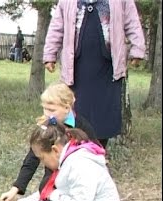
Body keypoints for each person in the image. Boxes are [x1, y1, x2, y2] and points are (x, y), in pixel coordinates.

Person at [43, 0, 146, 149]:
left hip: (107, 69)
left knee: (103, 119)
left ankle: (98, 152)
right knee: (76, 115)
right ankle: (75, 152)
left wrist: (137, 50)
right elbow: (56, 27)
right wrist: (49, 54)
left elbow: (132, 21)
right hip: (77, 69)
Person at [0, 82, 98, 201]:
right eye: (44, 109)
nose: (47, 114)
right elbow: (32, 158)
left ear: (67, 108)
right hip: (53, 174)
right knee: (44, 195)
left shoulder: (83, 128)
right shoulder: (46, 126)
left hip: (76, 181)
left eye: (52, 110)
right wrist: (15, 189)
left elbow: (97, 157)